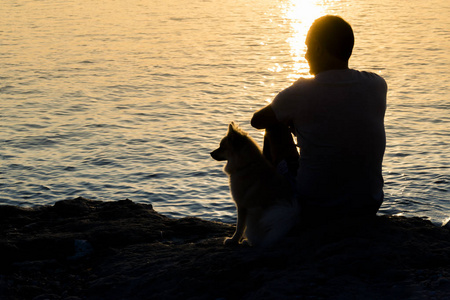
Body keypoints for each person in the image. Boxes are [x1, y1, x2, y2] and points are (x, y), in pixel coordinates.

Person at [251, 15, 387, 224]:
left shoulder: (301, 92)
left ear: (317, 48)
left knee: (274, 127)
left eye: (306, 48)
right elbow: (342, 120)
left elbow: (257, 121)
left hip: (316, 208)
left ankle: (268, 217)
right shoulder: (377, 85)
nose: (304, 55)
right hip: (367, 205)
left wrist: (292, 120)